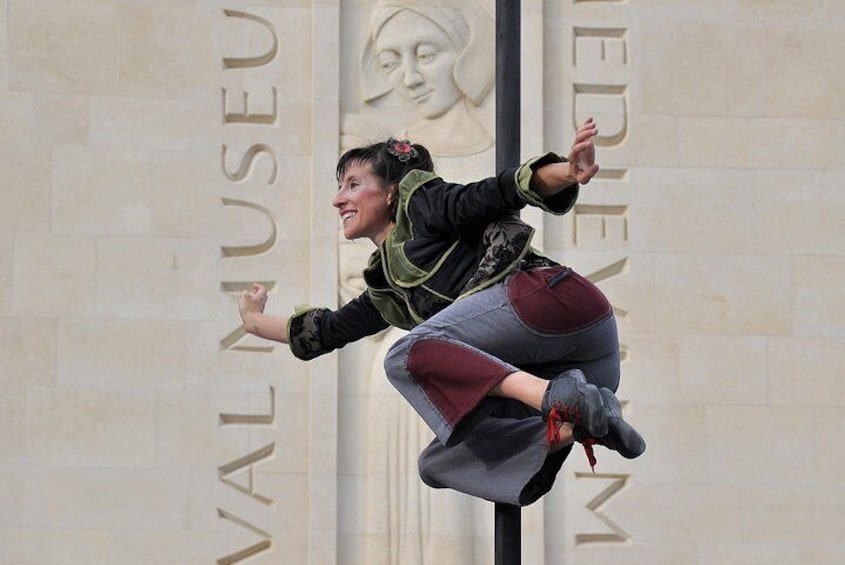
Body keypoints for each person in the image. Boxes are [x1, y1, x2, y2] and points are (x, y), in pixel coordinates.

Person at [238, 118, 645, 506]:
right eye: (339, 187)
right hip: (586, 367)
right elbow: (329, 330)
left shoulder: (424, 205)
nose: (338, 198)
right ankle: (579, 423)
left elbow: (495, 192)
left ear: (391, 190)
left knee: (405, 354)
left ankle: (557, 398)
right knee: (437, 463)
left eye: (353, 184)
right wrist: (254, 322)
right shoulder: (390, 286)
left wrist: (565, 172)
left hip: (556, 302)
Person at [360, 0, 494, 155]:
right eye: (389, 63)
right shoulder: (386, 152)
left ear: (466, 53)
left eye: (425, 55)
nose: (410, 80)